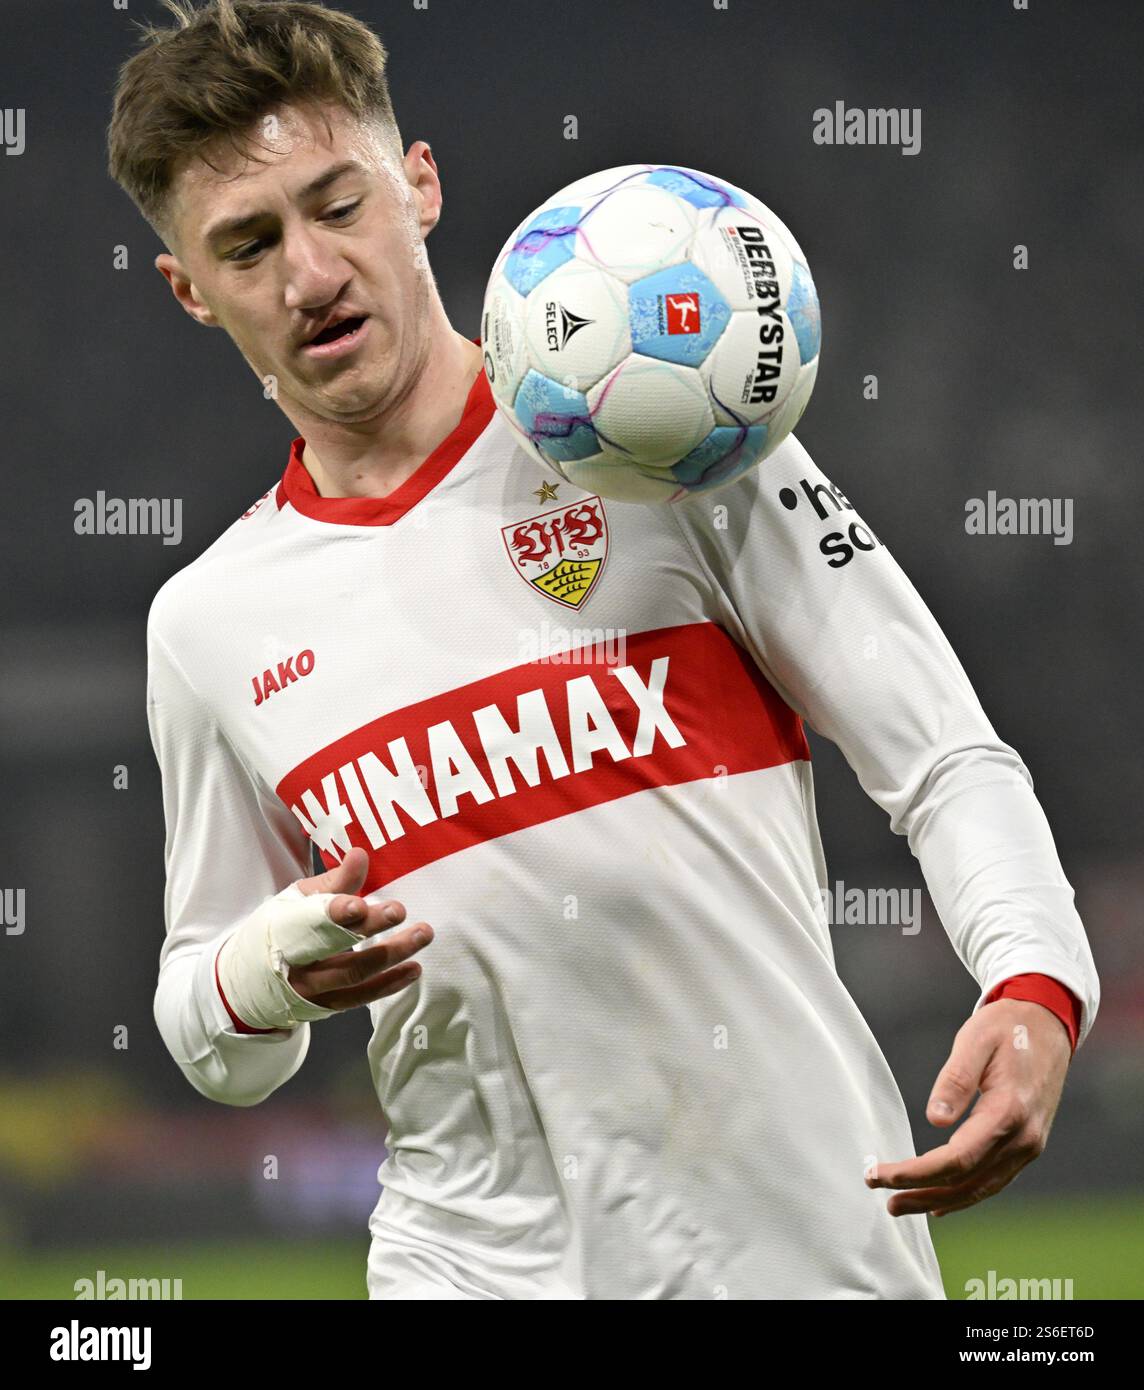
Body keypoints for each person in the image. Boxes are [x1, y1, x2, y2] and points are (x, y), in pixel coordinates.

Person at [108, 0, 1099, 1299]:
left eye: (337, 204)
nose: (310, 274)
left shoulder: (673, 437)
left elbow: (945, 755)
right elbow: (217, 1038)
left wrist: (1033, 983)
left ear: (420, 186)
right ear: (189, 289)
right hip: (466, 1261)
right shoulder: (208, 622)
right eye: (248, 244)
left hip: (803, 1252)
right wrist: (262, 973)